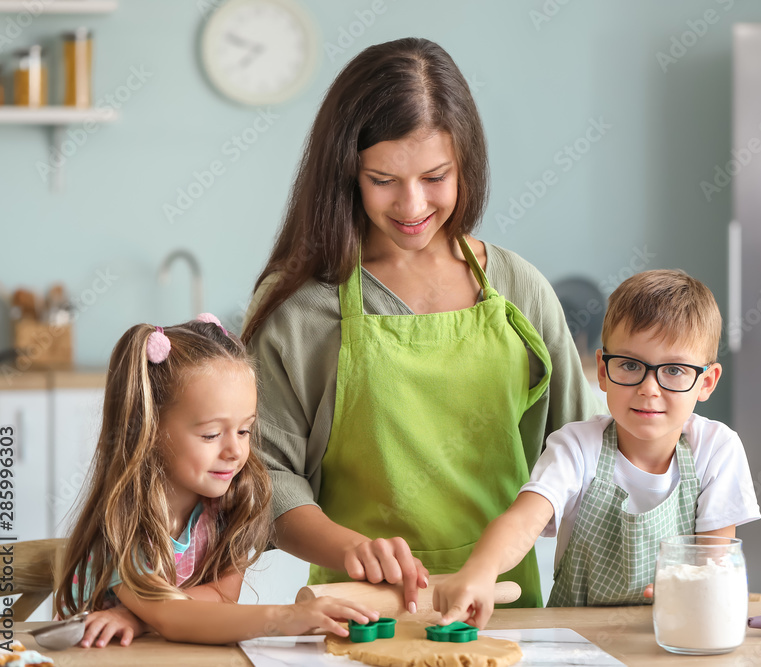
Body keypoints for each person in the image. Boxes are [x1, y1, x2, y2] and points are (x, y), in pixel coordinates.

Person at [241, 37, 599, 612]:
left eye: (436, 177)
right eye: (383, 180)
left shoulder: (518, 290)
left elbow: (584, 456)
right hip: (357, 614)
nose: (411, 206)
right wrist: (355, 550)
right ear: (347, 172)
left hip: (505, 612)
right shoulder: (300, 306)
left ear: (467, 164)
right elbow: (264, 478)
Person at [433, 270, 761, 627]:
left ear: (706, 382)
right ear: (603, 371)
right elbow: (523, 521)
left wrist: (693, 590)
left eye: (674, 370)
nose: (649, 388)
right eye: (631, 365)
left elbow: (715, 559)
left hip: (676, 634)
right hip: (574, 641)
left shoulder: (717, 449)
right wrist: (481, 570)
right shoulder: (577, 446)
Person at [54, 315, 377, 647]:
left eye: (244, 430)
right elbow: (171, 617)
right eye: (211, 434)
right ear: (148, 431)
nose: (235, 451)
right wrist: (286, 617)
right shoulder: (124, 521)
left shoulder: (229, 503)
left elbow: (222, 597)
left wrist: (138, 618)